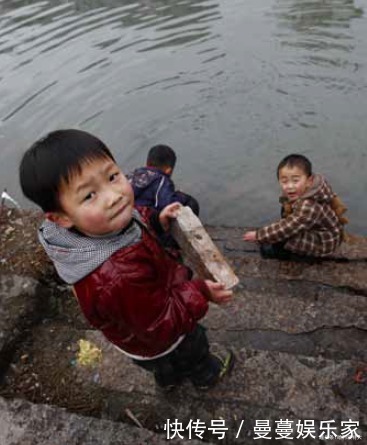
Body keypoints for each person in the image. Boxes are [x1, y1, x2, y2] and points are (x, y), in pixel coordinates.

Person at [19, 129, 234, 392]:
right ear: (61, 218)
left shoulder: (101, 226)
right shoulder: (116, 277)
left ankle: (168, 383)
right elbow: (161, 326)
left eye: (112, 176)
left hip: (138, 338)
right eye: (89, 195)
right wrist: (200, 290)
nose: (114, 196)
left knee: (163, 367)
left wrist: (156, 220)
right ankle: (207, 376)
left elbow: (135, 219)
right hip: (160, 337)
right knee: (193, 349)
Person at [243, 154, 347, 260]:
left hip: (324, 242)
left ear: (309, 181)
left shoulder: (310, 205)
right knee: (285, 205)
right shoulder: (304, 191)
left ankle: (291, 256)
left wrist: (259, 235)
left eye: (295, 180)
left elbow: (288, 227)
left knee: (283, 237)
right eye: (284, 181)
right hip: (315, 229)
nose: (290, 186)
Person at [128, 144, 200, 215]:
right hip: (143, 218)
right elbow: (166, 203)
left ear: (147, 163)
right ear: (168, 170)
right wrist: (181, 196)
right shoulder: (161, 179)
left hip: (129, 212)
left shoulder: (134, 174)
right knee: (191, 202)